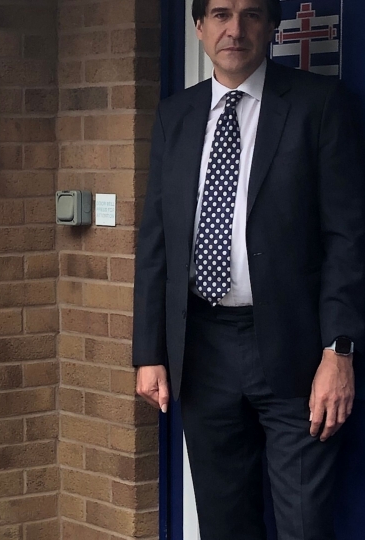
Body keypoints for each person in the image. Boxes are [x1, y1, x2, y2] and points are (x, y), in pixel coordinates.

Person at [133, 0, 365, 538]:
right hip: (202, 351)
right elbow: (156, 240)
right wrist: (149, 352)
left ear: (272, 27)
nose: (234, 29)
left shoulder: (319, 106)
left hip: (296, 354)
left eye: (250, 14)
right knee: (223, 523)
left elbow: (347, 240)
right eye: (219, 14)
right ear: (198, 28)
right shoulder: (175, 115)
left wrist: (340, 350)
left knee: (304, 525)